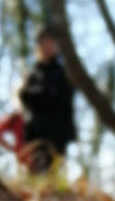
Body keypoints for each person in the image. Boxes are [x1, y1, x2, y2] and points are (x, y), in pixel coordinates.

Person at [18, 26, 76, 165]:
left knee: (53, 172)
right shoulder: (32, 73)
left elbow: (64, 98)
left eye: (50, 42)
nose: (46, 46)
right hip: (34, 132)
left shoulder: (63, 73)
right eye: (42, 42)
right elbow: (24, 96)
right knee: (36, 171)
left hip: (57, 133)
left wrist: (41, 94)